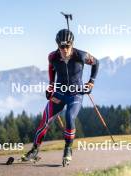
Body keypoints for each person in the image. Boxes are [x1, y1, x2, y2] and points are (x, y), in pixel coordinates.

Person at [21, 29, 99, 165]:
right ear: (58, 45)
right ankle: (34, 150)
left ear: (72, 44)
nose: (64, 49)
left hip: (76, 94)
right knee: (45, 121)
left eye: (67, 46)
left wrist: (91, 82)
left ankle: (68, 149)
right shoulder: (52, 56)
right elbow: (51, 68)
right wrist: (51, 86)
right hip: (59, 93)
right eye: (61, 46)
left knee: (69, 117)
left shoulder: (81, 55)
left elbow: (96, 63)